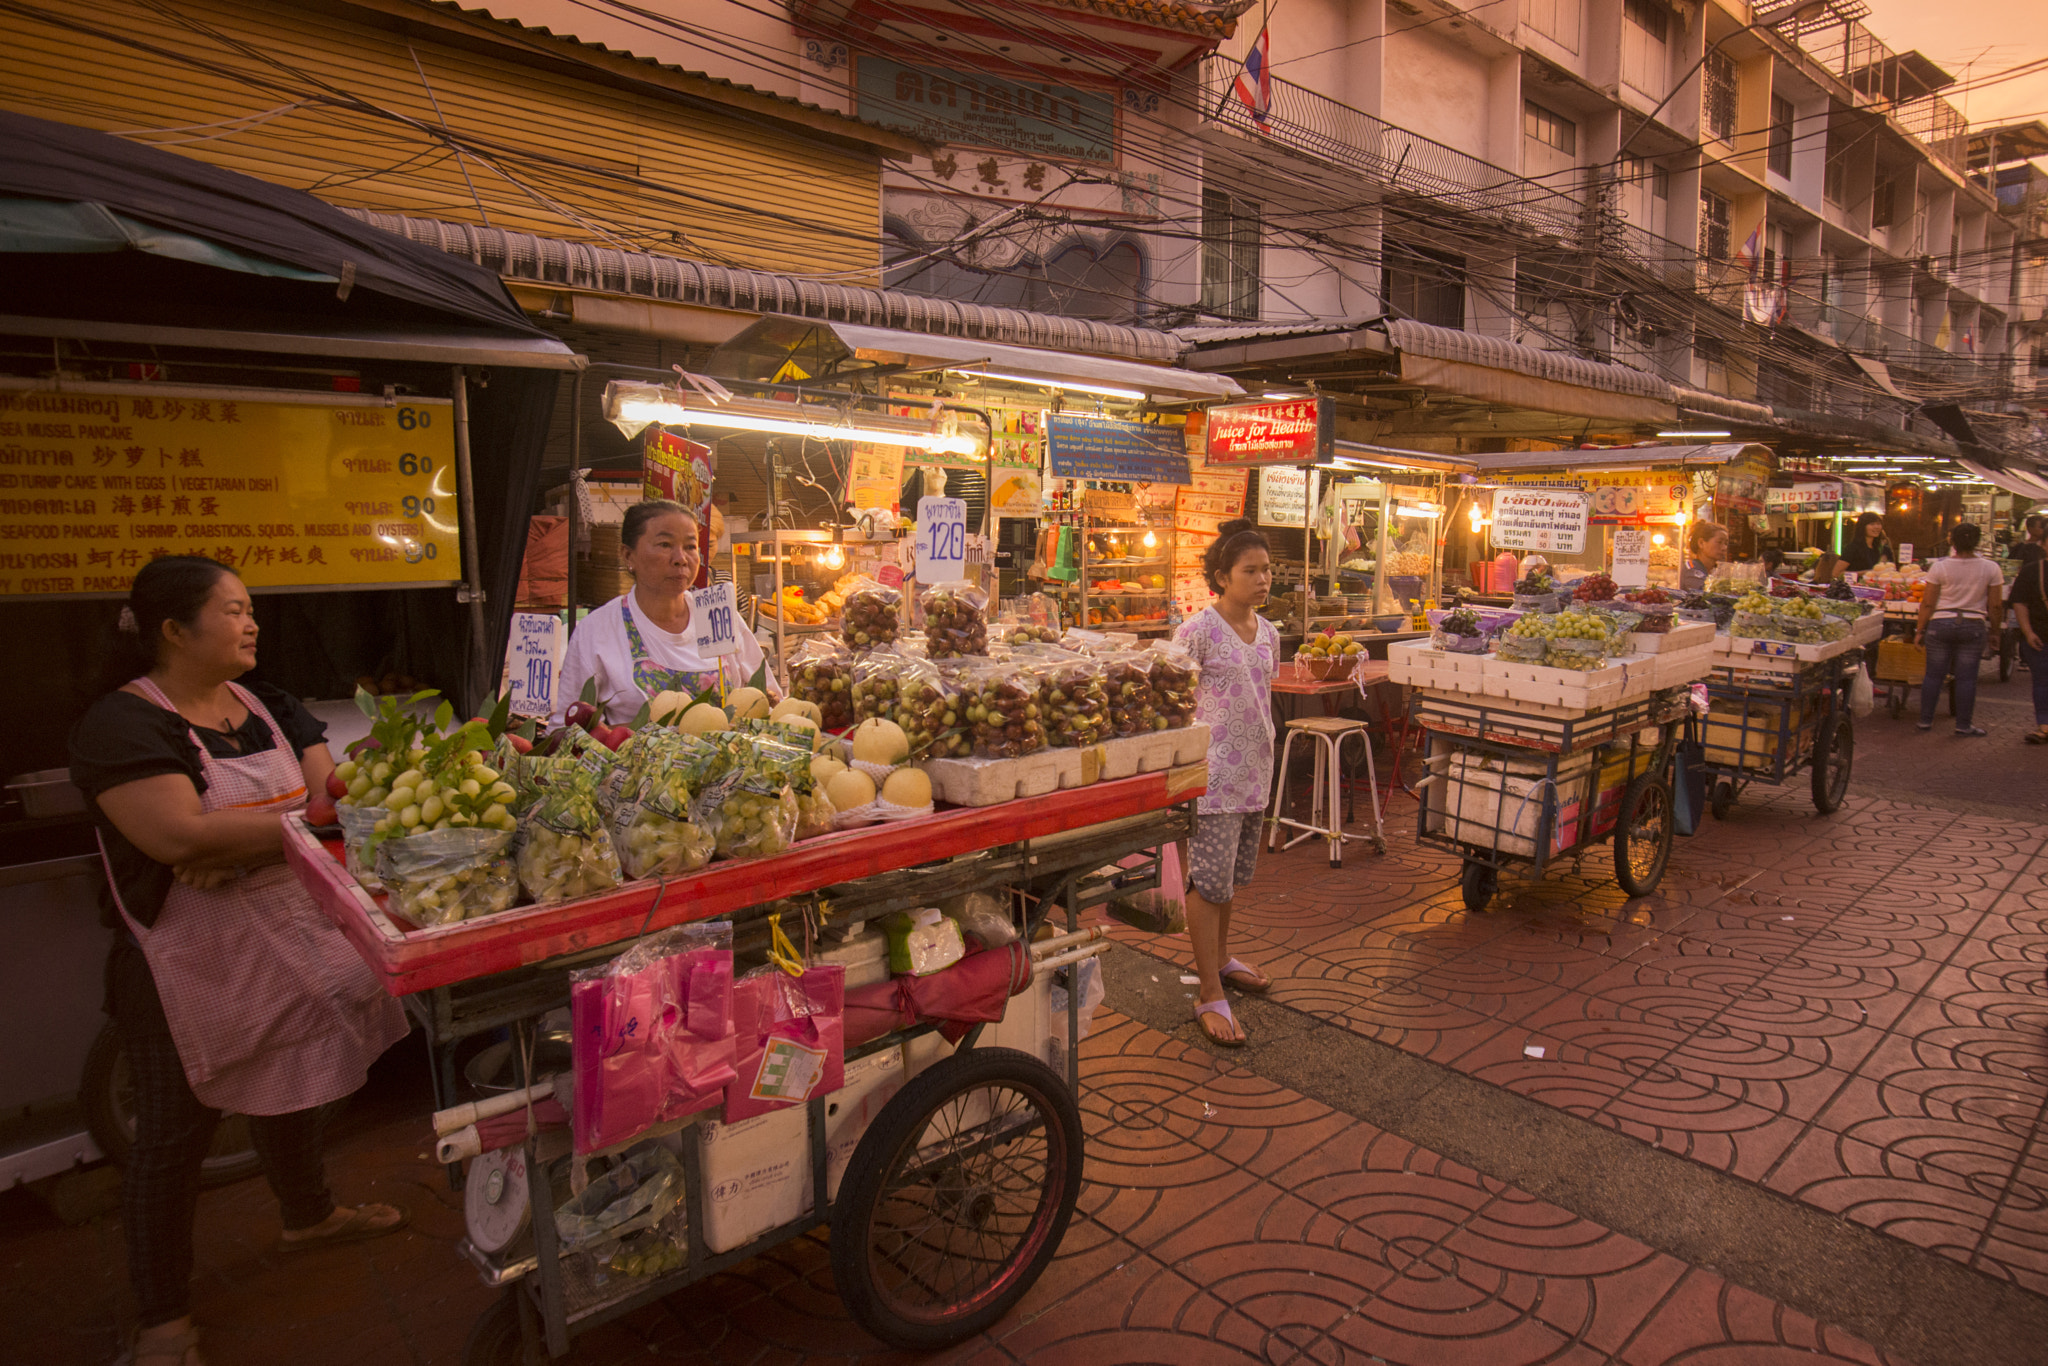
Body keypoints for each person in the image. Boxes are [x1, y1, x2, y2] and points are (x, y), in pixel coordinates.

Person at [68, 558, 411, 1366]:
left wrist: (261, 836)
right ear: (172, 630)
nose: (252, 622)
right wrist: (293, 828)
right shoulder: (121, 726)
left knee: (290, 1076)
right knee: (173, 1136)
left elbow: (334, 802)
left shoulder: (267, 705)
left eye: (251, 608)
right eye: (233, 610)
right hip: (185, 958)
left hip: (285, 931)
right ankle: (160, 1318)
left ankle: (308, 1215)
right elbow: (180, 838)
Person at [1172, 519, 1278, 1049]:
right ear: (1222, 576)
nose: (1262, 580)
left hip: (1255, 773)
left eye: (1266, 570)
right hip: (1211, 777)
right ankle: (1209, 991)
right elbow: (1171, 699)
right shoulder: (1197, 631)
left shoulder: (1270, 633)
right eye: (1250, 571)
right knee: (1207, 883)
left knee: (1231, 880)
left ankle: (1222, 957)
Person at [554, 499, 778, 727]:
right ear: (628, 556)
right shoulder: (598, 630)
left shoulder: (718, 615)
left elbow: (770, 703)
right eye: (664, 545)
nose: (681, 559)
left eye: (691, 547)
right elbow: (566, 730)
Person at [1917, 522, 2005, 738]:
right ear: (1977, 542)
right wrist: (1995, 632)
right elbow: (1995, 606)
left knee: (1933, 675)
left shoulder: (1939, 566)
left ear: (1952, 541)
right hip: (1972, 625)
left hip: (1940, 623)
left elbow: (1927, 602)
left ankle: (1925, 720)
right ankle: (1963, 725)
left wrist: (1920, 629)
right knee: (1966, 678)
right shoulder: (1991, 568)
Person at [2011, 536, 2048, 744]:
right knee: (2042, 682)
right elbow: (2019, 602)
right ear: (2042, 544)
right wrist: (2027, 631)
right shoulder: (2032, 570)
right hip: (2041, 636)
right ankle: (2044, 725)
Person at [1680, 521, 1728, 593]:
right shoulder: (1691, 567)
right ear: (1701, 543)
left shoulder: (1719, 569)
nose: (1724, 548)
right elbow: (1705, 592)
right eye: (1719, 542)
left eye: (1726, 543)